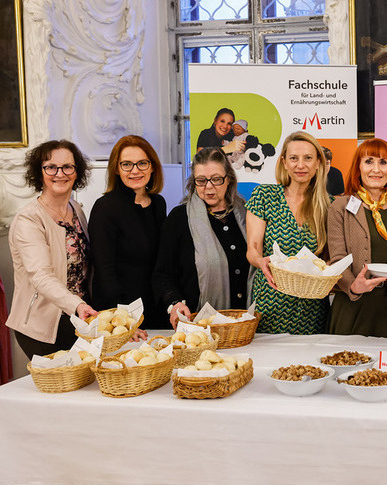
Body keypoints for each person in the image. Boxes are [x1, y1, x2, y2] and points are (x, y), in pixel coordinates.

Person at [6, 141, 98, 359]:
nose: (60, 173)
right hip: (44, 326)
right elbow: (41, 275)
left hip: (78, 319)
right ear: (39, 172)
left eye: (67, 167)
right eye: (51, 167)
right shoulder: (28, 219)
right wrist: (77, 305)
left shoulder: (76, 210)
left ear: (77, 172)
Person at [153, 148, 253, 329]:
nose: (208, 187)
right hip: (198, 328)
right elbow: (162, 274)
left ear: (228, 179)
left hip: (245, 326)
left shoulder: (248, 215)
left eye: (216, 179)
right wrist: (174, 303)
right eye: (201, 181)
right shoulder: (179, 218)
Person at [245, 131, 331, 334]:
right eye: (294, 158)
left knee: (310, 365)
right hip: (270, 302)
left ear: (318, 162)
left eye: (308, 158)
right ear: (284, 162)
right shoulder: (264, 196)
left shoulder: (329, 205)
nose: (301, 165)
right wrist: (260, 261)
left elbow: (329, 257)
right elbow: (253, 248)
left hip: (312, 308)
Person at [327, 139, 387, 337]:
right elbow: (337, 259)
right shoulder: (340, 207)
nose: (376, 169)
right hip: (352, 305)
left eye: (383, 162)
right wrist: (353, 286)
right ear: (358, 167)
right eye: (369, 161)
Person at [89, 135, 167, 331]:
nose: (135, 171)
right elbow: (104, 271)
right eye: (127, 164)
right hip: (121, 315)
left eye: (142, 163)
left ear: (152, 167)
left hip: (155, 308)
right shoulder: (105, 207)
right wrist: (123, 321)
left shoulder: (158, 203)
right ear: (116, 168)